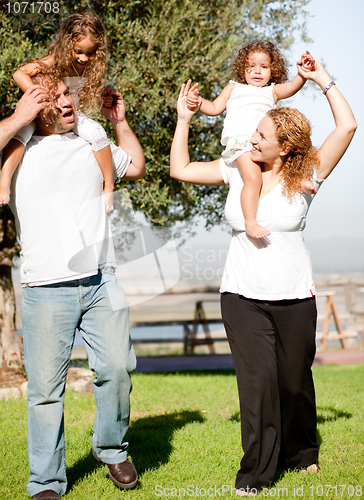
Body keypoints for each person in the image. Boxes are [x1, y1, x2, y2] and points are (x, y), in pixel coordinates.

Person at [170, 62, 356, 495]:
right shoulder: (236, 169)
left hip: (294, 295)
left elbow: (347, 127)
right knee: (257, 385)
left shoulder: (307, 175)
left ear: (286, 148)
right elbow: (181, 169)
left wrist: (321, 78)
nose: (250, 139)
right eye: (253, 131)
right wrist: (184, 119)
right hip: (241, 294)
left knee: (293, 382)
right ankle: (255, 474)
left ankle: (302, 451)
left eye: (261, 136)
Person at [8, 74, 145, 500]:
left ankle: (111, 449)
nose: (68, 101)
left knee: (118, 368)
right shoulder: (21, 147)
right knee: (46, 391)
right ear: (38, 106)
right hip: (46, 287)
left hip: (102, 279)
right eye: (56, 97)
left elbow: (137, 167)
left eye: (68, 93)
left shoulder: (91, 139)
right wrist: (19, 117)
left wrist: (119, 122)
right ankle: (46, 482)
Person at [187, 41, 316, 239]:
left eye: (264, 67)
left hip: (265, 144)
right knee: (254, 179)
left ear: (273, 70)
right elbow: (213, 108)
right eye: (251, 67)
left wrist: (302, 74)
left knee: (284, 162)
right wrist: (198, 101)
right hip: (243, 144)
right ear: (242, 69)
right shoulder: (233, 88)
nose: (257, 71)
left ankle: (298, 180)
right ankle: (250, 222)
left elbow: (292, 88)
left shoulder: (271, 91)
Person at [0, 10, 115, 212]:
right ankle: (4, 181)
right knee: (21, 134)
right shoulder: (55, 59)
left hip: (71, 114)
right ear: (67, 44)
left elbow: (82, 94)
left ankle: (109, 186)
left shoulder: (92, 68)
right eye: (78, 51)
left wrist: (103, 97)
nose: (83, 58)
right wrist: (40, 97)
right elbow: (20, 74)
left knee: (97, 133)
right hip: (47, 112)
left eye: (90, 52)